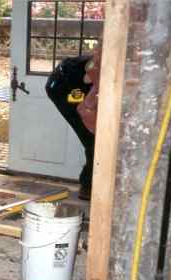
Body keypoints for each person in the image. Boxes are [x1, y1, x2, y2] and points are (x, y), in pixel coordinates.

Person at [45, 46, 101, 200]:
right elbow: (85, 108)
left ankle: (90, 183)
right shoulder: (97, 68)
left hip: (74, 84)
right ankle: (87, 186)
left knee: (95, 137)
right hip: (61, 87)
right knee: (93, 140)